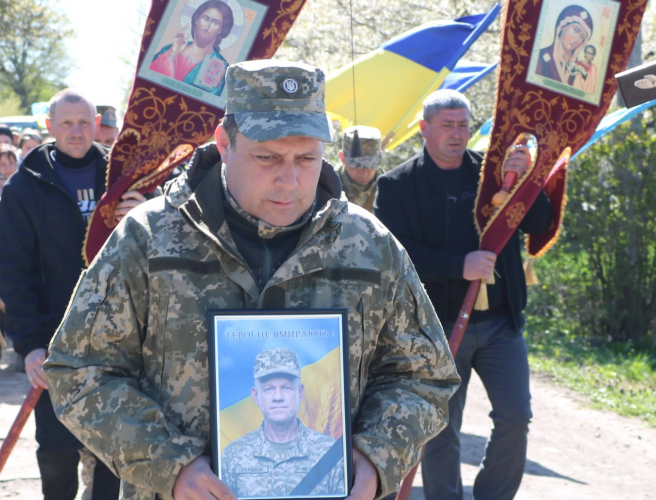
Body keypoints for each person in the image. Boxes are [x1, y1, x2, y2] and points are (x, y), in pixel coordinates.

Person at [43, 60, 460, 500]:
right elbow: (79, 370)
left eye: (307, 158)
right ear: (225, 142)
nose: (290, 179)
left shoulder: (369, 244)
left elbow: (424, 376)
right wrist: (169, 464)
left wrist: (376, 455)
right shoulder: (149, 239)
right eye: (267, 157)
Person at [374, 89, 553, 500]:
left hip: (500, 325)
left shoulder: (492, 173)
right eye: (447, 126)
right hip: (437, 329)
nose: (456, 134)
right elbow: (396, 255)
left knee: (515, 418)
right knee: (441, 428)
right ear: (424, 129)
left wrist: (528, 182)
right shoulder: (398, 184)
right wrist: (459, 265)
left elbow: (539, 221)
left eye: (462, 126)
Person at [0, 89, 149, 500]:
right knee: (58, 452)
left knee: (113, 452)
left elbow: (159, 254)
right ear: (49, 126)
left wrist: (146, 213)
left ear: (98, 124)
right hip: (55, 341)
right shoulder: (24, 188)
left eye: (85, 122)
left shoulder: (124, 177)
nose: (77, 131)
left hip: (120, 340)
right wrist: (28, 345)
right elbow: (15, 273)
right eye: (66, 123)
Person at [220, 349, 344, 497]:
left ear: (300, 392)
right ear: (255, 395)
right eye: (269, 389)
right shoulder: (233, 455)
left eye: (286, 387)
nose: (278, 397)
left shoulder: (329, 451)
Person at [148, 0, 233, 95]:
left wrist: (216, 89)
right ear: (197, 20)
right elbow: (148, 79)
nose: (207, 26)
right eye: (206, 18)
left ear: (220, 30)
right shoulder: (171, 49)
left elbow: (215, 103)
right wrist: (171, 55)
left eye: (215, 23)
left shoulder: (222, 69)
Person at [535, 5, 593, 86]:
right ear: (562, 26)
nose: (576, 40)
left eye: (582, 37)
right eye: (575, 30)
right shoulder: (540, 57)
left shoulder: (578, 68)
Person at [336, 125, 381, 212]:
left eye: (370, 166)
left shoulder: (390, 189)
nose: (364, 173)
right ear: (342, 157)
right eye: (357, 166)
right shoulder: (326, 186)